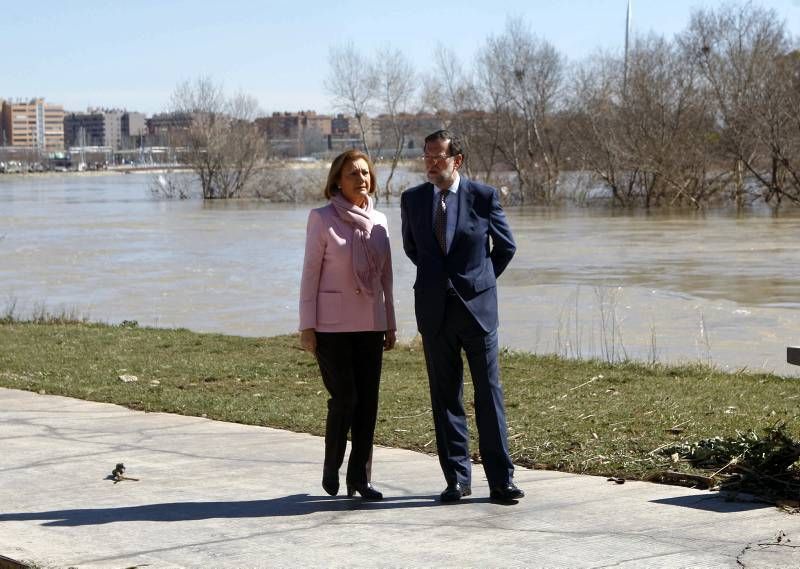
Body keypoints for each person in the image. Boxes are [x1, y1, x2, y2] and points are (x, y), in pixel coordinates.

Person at [400, 130, 523, 503]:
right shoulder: (413, 200)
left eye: (439, 157)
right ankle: (457, 479)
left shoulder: (483, 197)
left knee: (489, 395)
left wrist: (478, 283)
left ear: (458, 159)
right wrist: (439, 284)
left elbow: (506, 247)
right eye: (427, 157)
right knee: (445, 397)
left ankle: (501, 480)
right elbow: (412, 249)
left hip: (477, 311)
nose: (432, 164)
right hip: (435, 313)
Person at [299, 149, 396, 501]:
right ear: (337, 181)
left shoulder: (381, 221)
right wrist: (306, 325)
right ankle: (332, 464)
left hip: (370, 322)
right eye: (353, 173)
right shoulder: (321, 218)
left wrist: (390, 323)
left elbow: (386, 277)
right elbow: (310, 274)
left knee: (368, 402)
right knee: (346, 398)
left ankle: (360, 478)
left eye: (366, 173)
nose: (361, 179)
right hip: (332, 325)